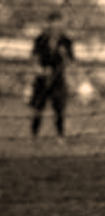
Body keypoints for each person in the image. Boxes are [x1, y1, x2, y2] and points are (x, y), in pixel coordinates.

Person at [29, 12, 75, 141]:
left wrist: (64, 55)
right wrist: (40, 70)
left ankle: (60, 136)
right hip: (42, 79)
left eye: (60, 24)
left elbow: (70, 62)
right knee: (38, 108)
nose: (57, 27)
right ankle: (34, 135)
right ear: (49, 24)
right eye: (54, 24)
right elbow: (34, 58)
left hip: (58, 79)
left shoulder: (66, 41)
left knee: (59, 109)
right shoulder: (40, 39)